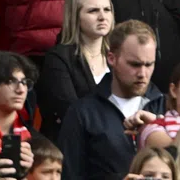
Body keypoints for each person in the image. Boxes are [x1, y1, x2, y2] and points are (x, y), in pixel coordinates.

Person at [56, 20, 164, 180]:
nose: (143, 73)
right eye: (134, 64)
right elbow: (69, 175)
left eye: (149, 64)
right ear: (112, 58)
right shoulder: (83, 113)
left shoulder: (165, 106)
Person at [36, 0, 112, 139]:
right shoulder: (58, 58)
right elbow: (71, 112)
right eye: (93, 11)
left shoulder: (118, 56)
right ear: (75, 16)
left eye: (107, 9)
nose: (102, 17)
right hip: (72, 147)